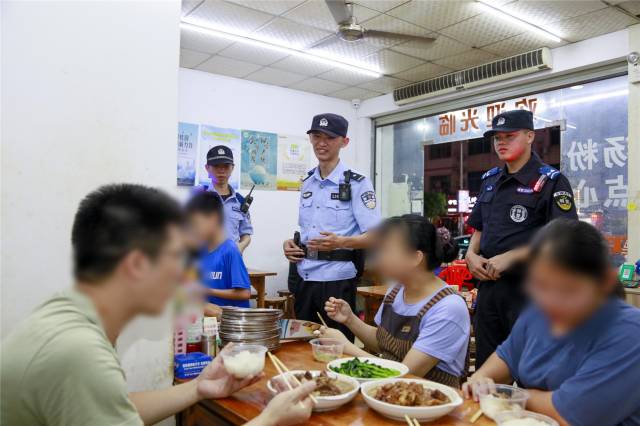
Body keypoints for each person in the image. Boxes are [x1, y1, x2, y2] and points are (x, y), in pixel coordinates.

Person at [0, 184, 315, 426]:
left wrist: (198, 388)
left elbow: (116, 407)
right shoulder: (79, 353)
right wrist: (269, 420)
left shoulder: (67, 315)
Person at [463, 219, 640, 426]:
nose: (551, 301)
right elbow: (502, 361)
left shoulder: (629, 333)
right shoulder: (538, 312)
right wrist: (480, 381)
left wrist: (513, 396)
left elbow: (570, 414)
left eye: (567, 290)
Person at [465, 109, 578, 368]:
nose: (501, 143)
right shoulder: (490, 180)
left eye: (509, 136)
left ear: (529, 136)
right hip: (489, 288)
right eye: (497, 138)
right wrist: (471, 254)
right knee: (487, 366)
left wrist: (514, 256)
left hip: (530, 291)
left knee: (531, 369)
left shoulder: (551, 181)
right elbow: (479, 227)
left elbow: (565, 239)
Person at [321, 215, 470, 387]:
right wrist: (350, 319)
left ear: (415, 258)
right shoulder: (396, 291)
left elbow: (404, 375)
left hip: (428, 399)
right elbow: (383, 343)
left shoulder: (449, 308)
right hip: (386, 394)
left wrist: (346, 347)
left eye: (386, 250)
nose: (378, 258)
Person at [282, 113, 381, 341]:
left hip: (337, 280)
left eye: (330, 137)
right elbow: (307, 229)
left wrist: (341, 242)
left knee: (336, 346)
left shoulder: (357, 183)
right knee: (303, 345)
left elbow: (376, 235)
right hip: (305, 276)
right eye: (317, 136)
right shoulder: (307, 182)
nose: (322, 143)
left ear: (344, 142)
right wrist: (291, 244)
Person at [186, 191, 251, 312]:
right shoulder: (200, 251)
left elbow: (244, 293)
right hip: (208, 318)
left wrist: (207, 291)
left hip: (229, 319)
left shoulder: (230, 250)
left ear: (214, 219)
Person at [202, 145, 253, 253]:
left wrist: (241, 246)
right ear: (207, 168)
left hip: (232, 259)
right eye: (216, 165)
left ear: (232, 168)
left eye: (226, 166)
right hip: (206, 260)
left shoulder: (240, 202)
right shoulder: (198, 198)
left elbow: (246, 233)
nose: (221, 170)